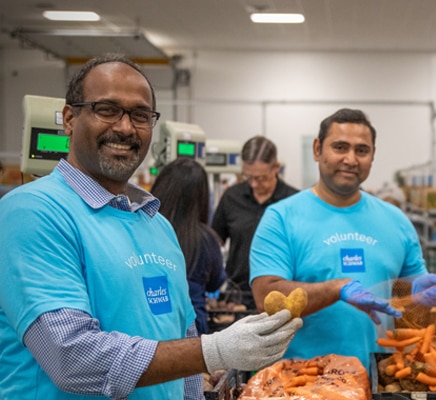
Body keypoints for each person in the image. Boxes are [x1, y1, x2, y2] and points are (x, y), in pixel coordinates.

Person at [0, 54, 301, 399]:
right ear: (70, 119)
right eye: (107, 109)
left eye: (140, 115)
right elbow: (71, 357)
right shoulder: (32, 212)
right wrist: (215, 350)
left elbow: (184, 335)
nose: (126, 127)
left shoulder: (157, 225)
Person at [249, 108, 436, 369]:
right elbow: (265, 296)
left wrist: (419, 298)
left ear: (372, 156)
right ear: (317, 150)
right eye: (340, 147)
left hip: (376, 379)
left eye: (361, 150)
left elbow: (414, 318)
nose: (350, 159)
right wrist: (337, 289)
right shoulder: (281, 218)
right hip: (300, 382)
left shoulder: (396, 221)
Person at [212, 136, 299, 309]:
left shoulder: (294, 201)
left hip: (282, 294)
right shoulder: (231, 198)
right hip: (237, 297)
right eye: (248, 176)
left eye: (260, 178)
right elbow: (214, 243)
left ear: (276, 168)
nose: (253, 184)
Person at [150, 158, 227, 335]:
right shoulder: (205, 240)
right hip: (193, 330)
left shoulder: (143, 230)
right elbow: (215, 283)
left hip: (152, 326)